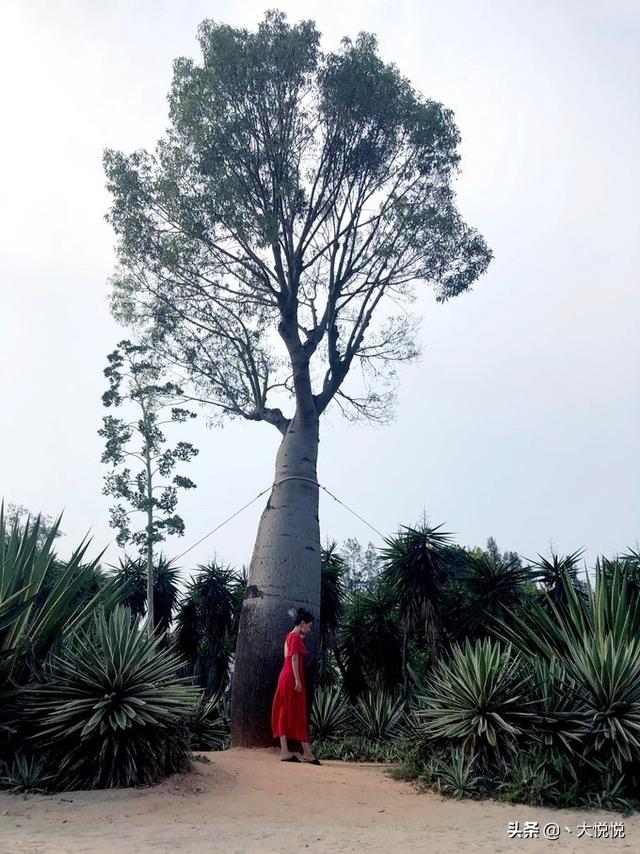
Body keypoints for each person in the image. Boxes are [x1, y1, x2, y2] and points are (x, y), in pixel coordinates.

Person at [271, 607, 321, 764]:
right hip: (291, 679)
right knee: (295, 712)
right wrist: (298, 681)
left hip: (286, 677)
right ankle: (304, 752)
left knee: (285, 711)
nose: (310, 628)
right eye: (309, 625)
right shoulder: (295, 638)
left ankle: (292, 751)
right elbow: (293, 659)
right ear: (302, 623)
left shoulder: (291, 636)